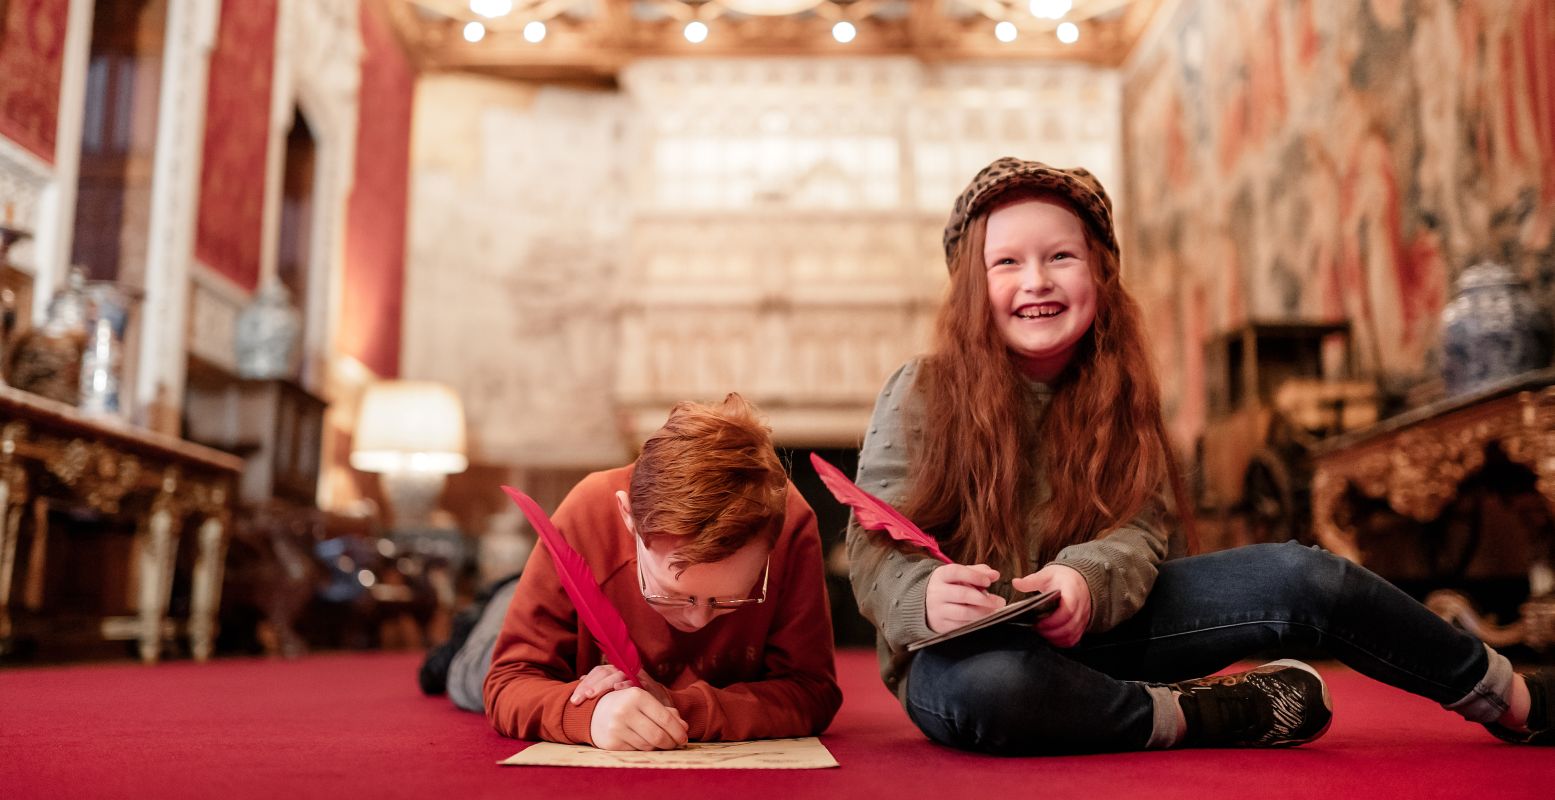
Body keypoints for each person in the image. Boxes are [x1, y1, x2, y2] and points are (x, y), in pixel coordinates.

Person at [845, 156, 1552, 755]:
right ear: (974, 287)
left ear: (1101, 273)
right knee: (993, 691)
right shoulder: (921, 389)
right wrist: (923, 599)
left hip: (1103, 626)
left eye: (1061, 256)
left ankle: (1511, 696)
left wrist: (1085, 578)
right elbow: (876, 540)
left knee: (1303, 574)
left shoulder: (1122, 395)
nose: (1036, 281)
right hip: (964, 651)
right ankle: (1206, 712)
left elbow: (1140, 531)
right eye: (1007, 263)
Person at [481, 393, 842, 750]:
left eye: (729, 599)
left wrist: (674, 706)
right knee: (468, 666)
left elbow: (812, 691)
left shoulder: (789, 522)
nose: (699, 619)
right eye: (672, 593)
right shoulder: (588, 511)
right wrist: (591, 716)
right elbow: (509, 682)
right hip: (524, 641)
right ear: (628, 519)